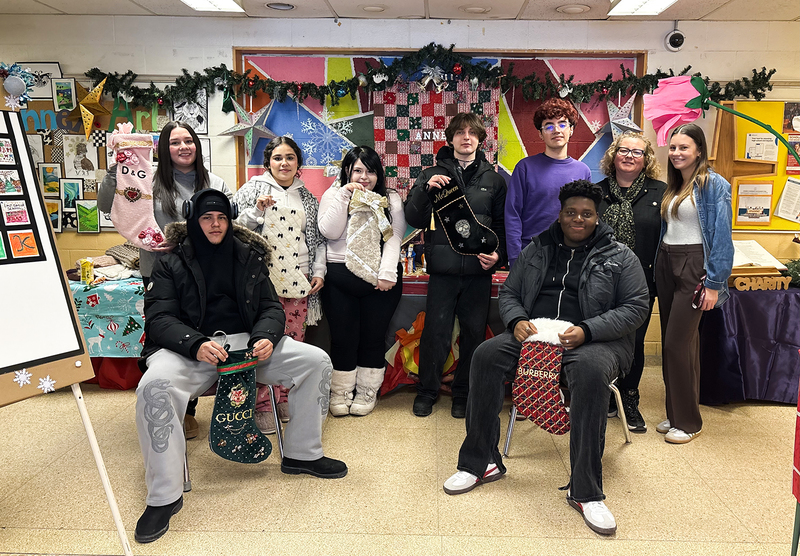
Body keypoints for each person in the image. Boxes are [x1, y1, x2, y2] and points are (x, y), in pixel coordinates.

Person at [134, 189, 346, 544]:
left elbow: (271, 307)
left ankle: (302, 454)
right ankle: (164, 496)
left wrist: (265, 335)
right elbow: (158, 319)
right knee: (153, 388)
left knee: (315, 362)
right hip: (190, 348)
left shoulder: (248, 255)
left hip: (247, 346)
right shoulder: (170, 262)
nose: (215, 224)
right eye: (206, 218)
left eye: (221, 217)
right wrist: (196, 343)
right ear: (193, 221)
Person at [443, 180, 649, 536]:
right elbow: (509, 292)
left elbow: (635, 308)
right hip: (537, 332)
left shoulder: (620, 256)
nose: (578, 219)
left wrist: (587, 329)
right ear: (561, 213)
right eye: (571, 212)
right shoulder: (537, 249)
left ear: (597, 217)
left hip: (593, 340)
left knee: (588, 371)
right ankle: (481, 463)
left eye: (586, 213)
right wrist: (517, 320)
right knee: (486, 355)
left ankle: (585, 491)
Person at [98, 120, 232, 440]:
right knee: (163, 337)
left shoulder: (214, 182)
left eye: (189, 141)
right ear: (163, 148)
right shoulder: (146, 179)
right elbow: (107, 205)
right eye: (175, 142)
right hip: (159, 272)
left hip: (203, 276)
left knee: (198, 337)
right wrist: (118, 166)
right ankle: (164, 402)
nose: (183, 147)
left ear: (197, 146)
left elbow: (229, 225)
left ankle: (187, 409)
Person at [404, 112, 507, 418]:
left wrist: (498, 255)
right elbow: (413, 219)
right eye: (460, 133)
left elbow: (501, 225)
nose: (466, 138)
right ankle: (427, 391)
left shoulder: (495, 179)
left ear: (480, 139)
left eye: (472, 133)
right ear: (450, 139)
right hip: (443, 271)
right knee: (435, 332)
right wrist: (425, 190)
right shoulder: (431, 174)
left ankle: (463, 392)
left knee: (474, 334)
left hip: (478, 272)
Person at [233, 137, 326, 433]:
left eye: (289, 157)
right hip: (261, 281)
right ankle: (261, 403)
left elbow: (317, 240)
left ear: (298, 163)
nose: (283, 163)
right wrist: (257, 211)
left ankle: (283, 394)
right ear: (268, 162)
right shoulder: (252, 190)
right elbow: (234, 229)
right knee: (264, 340)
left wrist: (319, 271)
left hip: (297, 279)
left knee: (294, 341)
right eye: (277, 158)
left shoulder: (308, 198)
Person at [655, 123, 733, 444]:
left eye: (683, 148)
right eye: (672, 148)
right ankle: (676, 412)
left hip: (694, 265)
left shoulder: (713, 185)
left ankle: (688, 422)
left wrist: (714, 282)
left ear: (699, 150)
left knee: (677, 343)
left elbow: (722, 237)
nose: (676, 153)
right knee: (680, 343)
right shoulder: (674, 185)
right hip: (666, 260)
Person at [317, 146, 406, 416]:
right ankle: (341, 391)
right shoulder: (334, 193)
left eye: (370, 171)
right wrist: (345, 194)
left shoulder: (390, 199)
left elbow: (395, 236)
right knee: (343, 338)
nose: (364, 177)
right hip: (340, 276)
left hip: (380, 279)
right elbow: (329, 231)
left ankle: (368, 390)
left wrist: (387, 273)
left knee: (373, 337)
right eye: (358, 170)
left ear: (378, 174)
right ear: (348, 171)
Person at [596, 132, 665, 432]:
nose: (629, 156)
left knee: (635, 342)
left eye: (637, 153)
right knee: (601, 338)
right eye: (623, 150)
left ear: (646, 159)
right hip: (599, 282)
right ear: (613, 155)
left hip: (641, 283)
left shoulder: (661, 193)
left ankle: (629, 397)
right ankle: (606, 395)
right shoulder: (596, 193)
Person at [505, 98, 591, 267]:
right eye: (549, 126)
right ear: (540, 133)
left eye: (562, 124)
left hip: (570, 257)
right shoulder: (525, 168)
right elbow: (512, 215)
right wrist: (516, 259)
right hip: (531, 256)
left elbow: (586, 219)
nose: (556, 130)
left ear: (571, 130)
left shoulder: (583, 171)